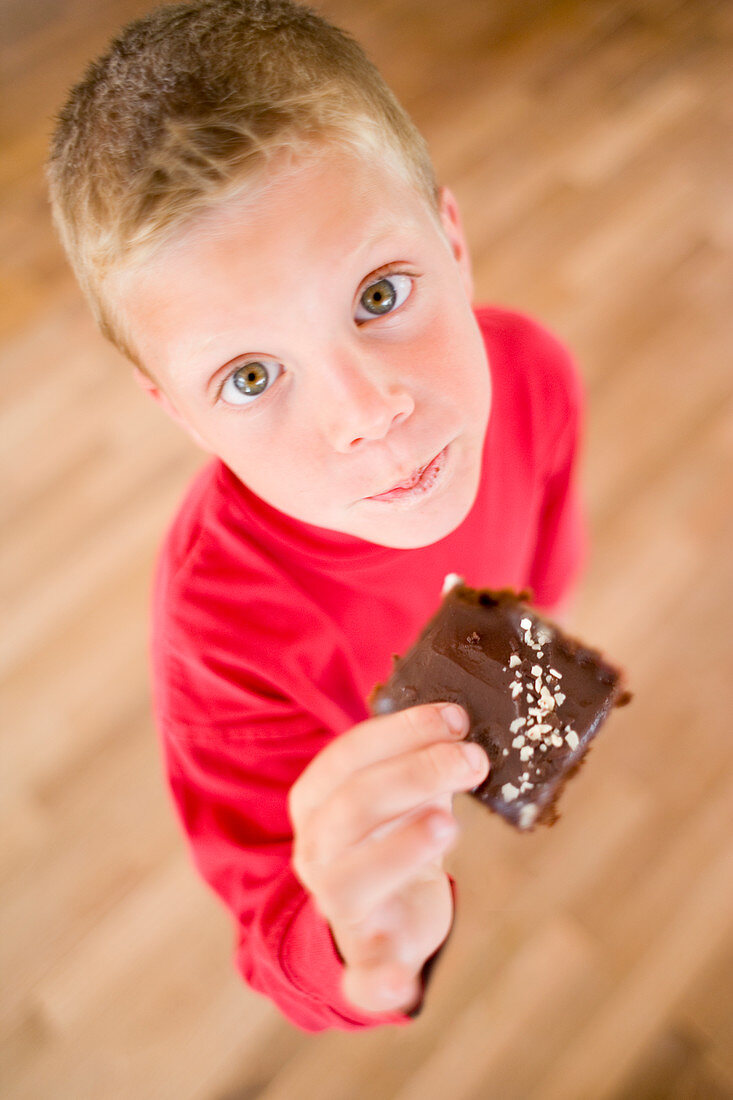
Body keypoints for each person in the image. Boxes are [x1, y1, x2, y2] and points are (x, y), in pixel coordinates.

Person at [47, 0, 586, 1032]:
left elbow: (546, 548)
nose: (368, 415)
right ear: (180, 414)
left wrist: (543, 609)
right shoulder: (216, 639)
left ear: (453, 241)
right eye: (251, 374)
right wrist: (351, 931)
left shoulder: (530, 370)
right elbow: (271, 916)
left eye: (380, 293)